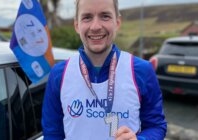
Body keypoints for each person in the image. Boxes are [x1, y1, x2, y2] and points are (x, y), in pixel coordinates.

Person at [42, 0, 167, 139]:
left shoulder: (142, 71)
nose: (95, 26)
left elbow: (156, 126)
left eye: (105, 16)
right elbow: (52, 133)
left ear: (117, 23)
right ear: (77, 25)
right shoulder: (59, 74)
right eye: (87, 17)